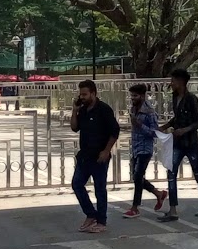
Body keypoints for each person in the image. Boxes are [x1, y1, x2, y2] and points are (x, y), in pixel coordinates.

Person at [159, 68, 198, 221]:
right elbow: (176, 117)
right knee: (171, 172)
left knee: (197, 172)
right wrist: (165, 126)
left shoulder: (192, 99)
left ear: (181, 82)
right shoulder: (175, 98)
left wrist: (185, 130)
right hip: (178, 142)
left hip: (190, 142)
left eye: (173, 81)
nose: (171, 84)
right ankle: (173, 209)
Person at [69, 79, 119, 234]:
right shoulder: (83, 109)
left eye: (85, 94)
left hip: (99, 156)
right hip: (85, 155)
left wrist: (106, 151)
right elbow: (74, 128)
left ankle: (101, 221)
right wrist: (74, 110)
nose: (82, 97)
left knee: (99, 189)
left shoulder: (104, 109)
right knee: (77, 184)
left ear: (93, 93)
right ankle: (91, 214)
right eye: (80, 94)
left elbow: (115, 131)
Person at [122, 82, 168, 219]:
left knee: (137, 177)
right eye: (131, 96)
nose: (132, 98)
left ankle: (135, 207)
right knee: (136, 177)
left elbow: (155, 132)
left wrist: (140, 125)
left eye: (135, 96)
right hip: (135, 147)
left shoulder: (149, 112)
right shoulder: (134, 108)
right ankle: (158, 194)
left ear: (142, 96)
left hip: (145, 149)